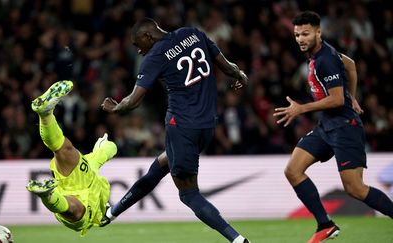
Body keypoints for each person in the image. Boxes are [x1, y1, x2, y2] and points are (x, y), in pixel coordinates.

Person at [101, 18, 250, 243]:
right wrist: (240, 74)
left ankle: (238, 240)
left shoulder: (155, 56)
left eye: (137, 44)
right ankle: (112, 213)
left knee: (189, 194)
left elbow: (133, 101)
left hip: (181, 126)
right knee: (160, 165)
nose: (138, 51)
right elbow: (227, 66)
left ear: (147, 37)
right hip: (207, 125)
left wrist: (115, 108)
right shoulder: (194, 33)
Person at [273, 11, 393, 243]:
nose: (300, 39)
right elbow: (351, 65)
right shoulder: (322, 53)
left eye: (306, 34)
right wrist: (354, 96)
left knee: (355, 189)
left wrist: (301, 109)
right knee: (293, 171)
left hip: (345, 128)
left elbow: (337, 100)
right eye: (297, 34)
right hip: (326, 126)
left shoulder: (325, 60)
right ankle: (325, 224)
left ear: (319, 32)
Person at [26, 80, 117, 236]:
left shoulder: (94, 214)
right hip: (78, 179)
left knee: (73, 209)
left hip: (72, 195)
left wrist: (105, 147)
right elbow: (110, 148)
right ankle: (45, 114)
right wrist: (105, 147)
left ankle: (48, 196)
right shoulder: (93, 168)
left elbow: (111, 148)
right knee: (62, 148)